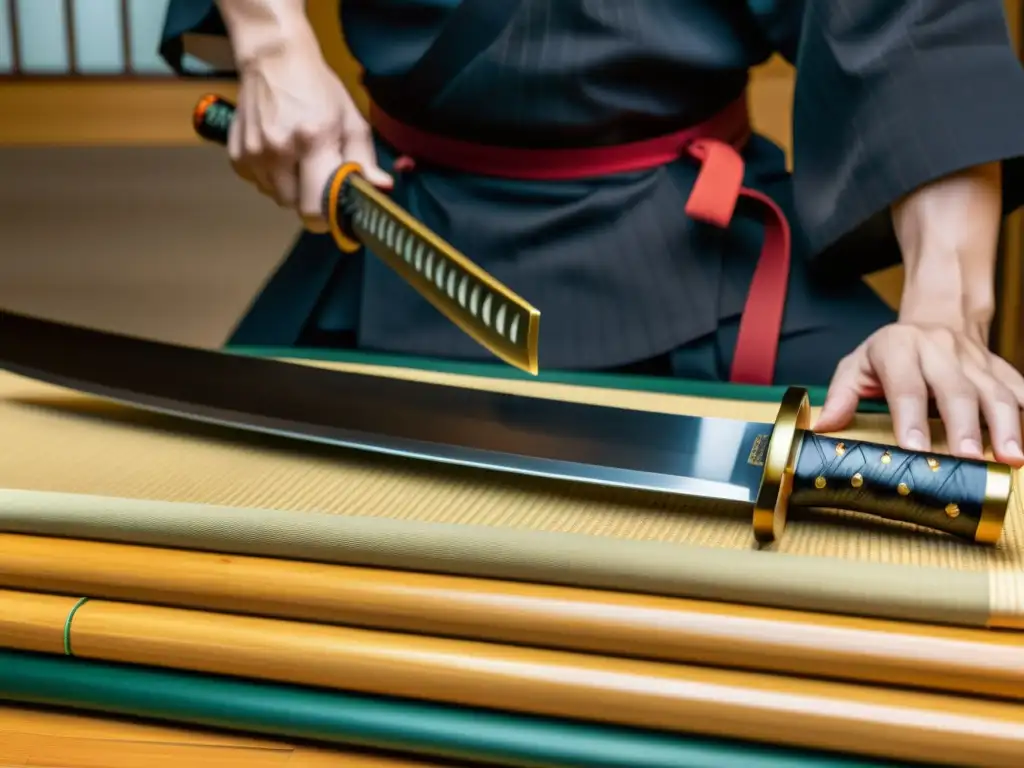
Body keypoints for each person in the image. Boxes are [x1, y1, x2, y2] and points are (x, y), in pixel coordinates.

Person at [162, 0, 1024, 467]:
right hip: (406, 230)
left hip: (704, 241)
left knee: (926, 484)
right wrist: (270, 42)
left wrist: (942, 314)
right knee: (196, 505)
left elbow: (915, 23)